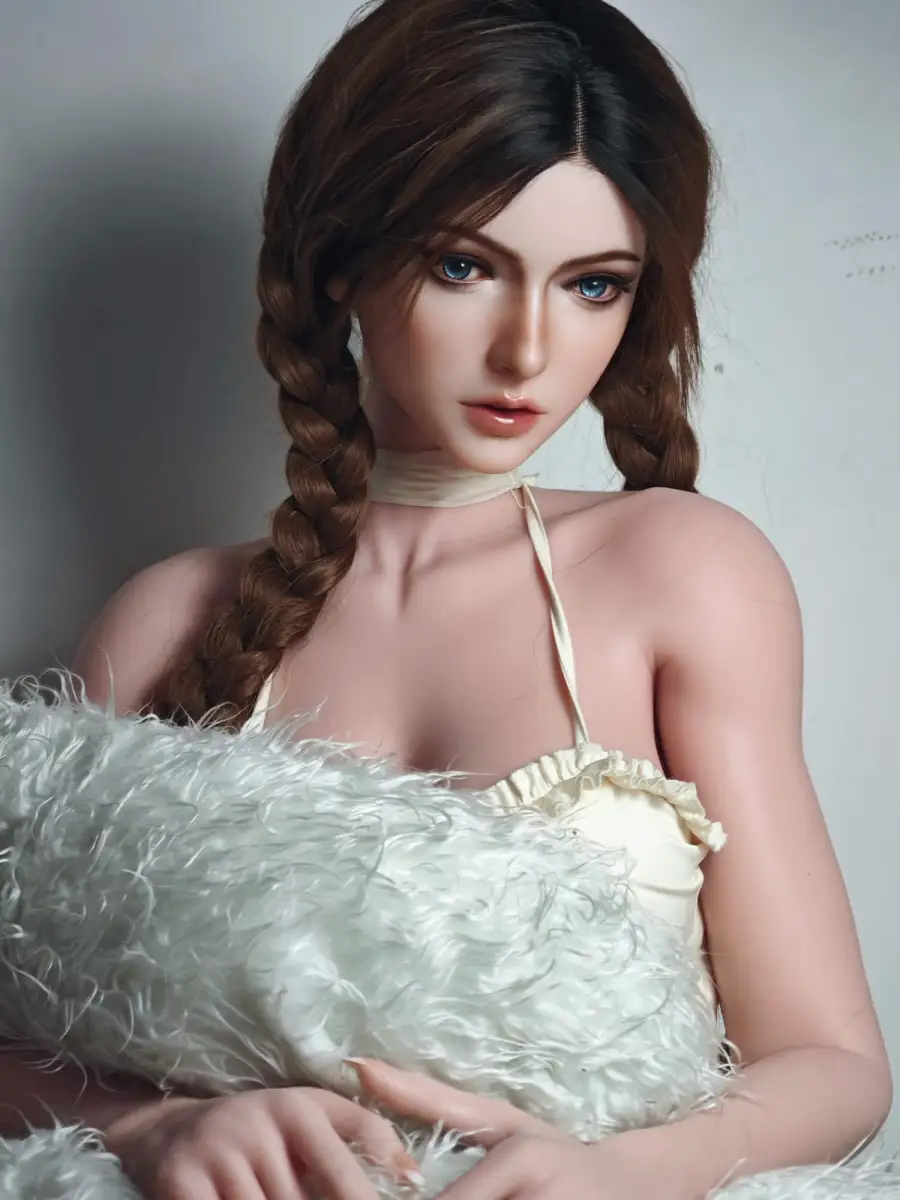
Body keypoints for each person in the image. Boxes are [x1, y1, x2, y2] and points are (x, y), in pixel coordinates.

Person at [0, 1, 892, 1198]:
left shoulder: (684, 573)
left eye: (594, 285)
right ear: (340, 262)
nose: (528, 350)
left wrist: (621, 1173)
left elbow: (834, 1064)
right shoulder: (167, 621)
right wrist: (151, 1124)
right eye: (465, 267)